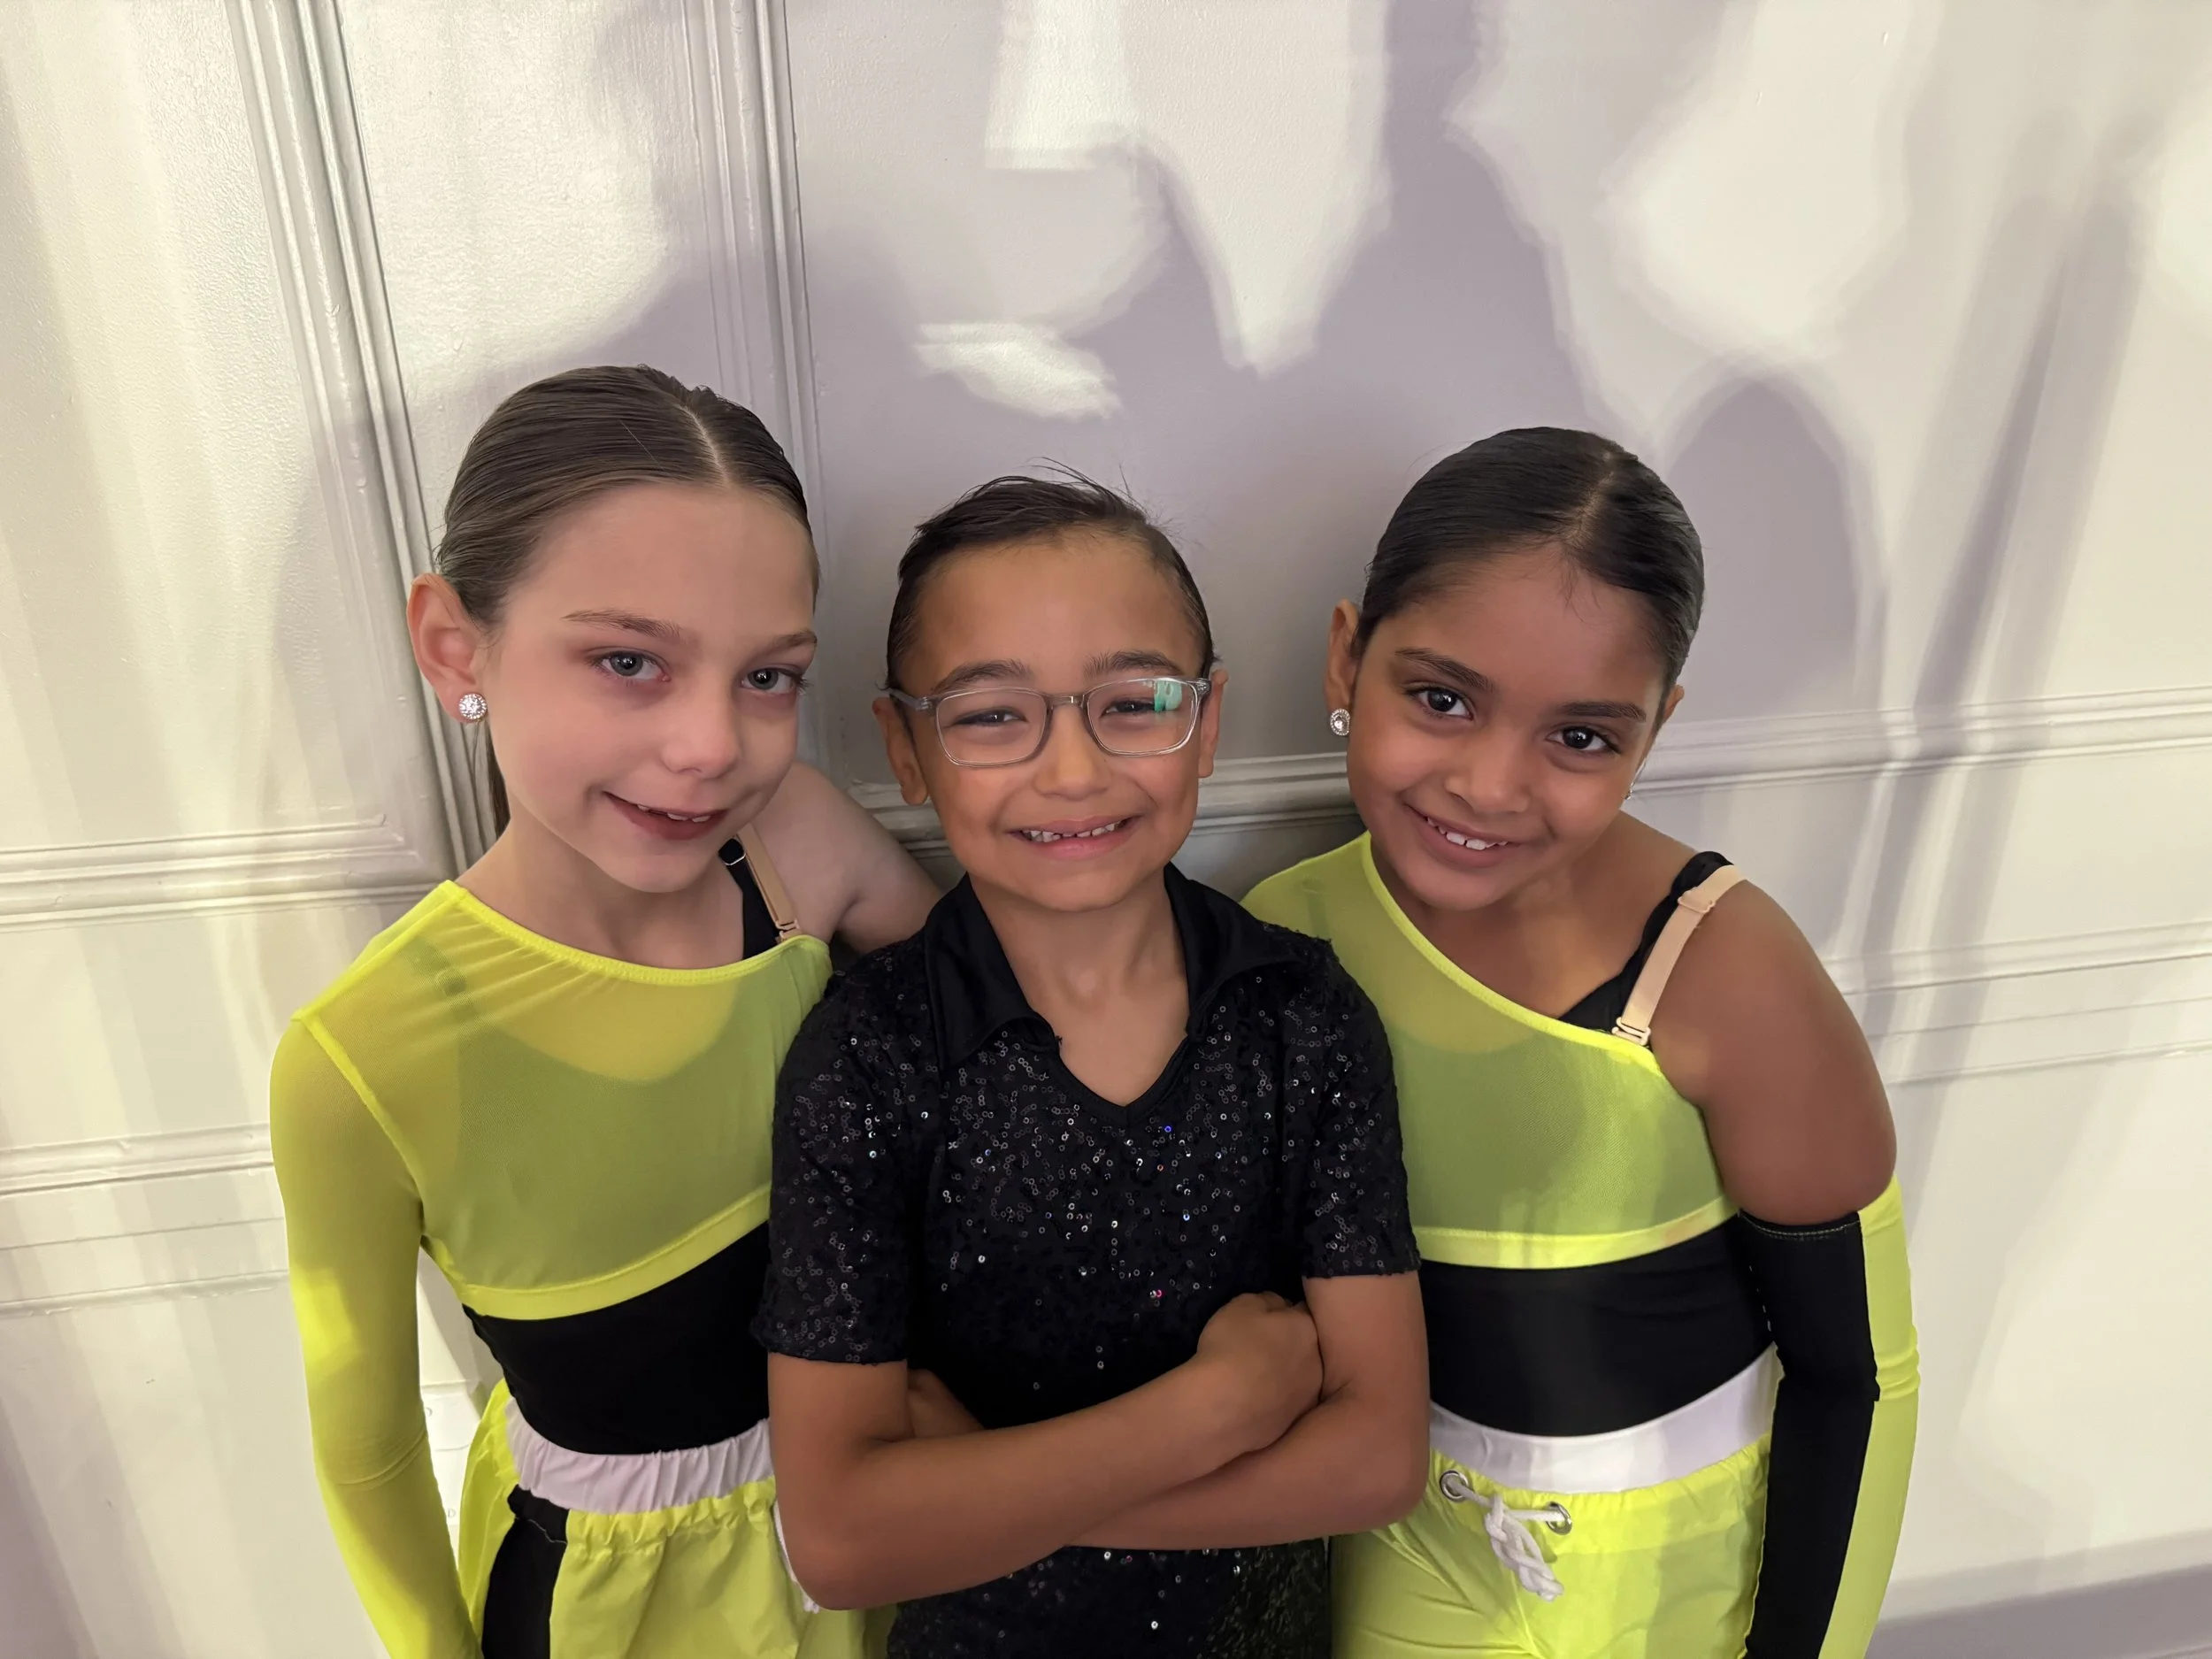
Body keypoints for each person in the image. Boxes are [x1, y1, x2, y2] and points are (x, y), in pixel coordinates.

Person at [270, 365, 938, 1659]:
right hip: (613, 1607)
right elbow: (368, 1450)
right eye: (629, 660)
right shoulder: (363, 1059)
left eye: (769, 676)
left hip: (887, 1526)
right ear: (454, 647)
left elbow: (1005, 1040)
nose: (710, 745)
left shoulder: (796, 850)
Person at [1246, 427, 1919, 1659]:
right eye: (1441, 699)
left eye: (1581, 737)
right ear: (1349, 654)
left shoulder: (1725, 974)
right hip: (1392, 1553)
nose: (1490, 786)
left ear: (1653, 730)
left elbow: (1857, 1377)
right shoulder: (1281, 936)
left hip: (1665, 1595)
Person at [754, 472, 1429, 1659]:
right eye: (989, 715)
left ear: (1206, 723)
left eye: (1135, 701)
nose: (1072, 770)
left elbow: (1377, 1460)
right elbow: (842, 1540)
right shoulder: (867, 1056)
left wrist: (983, 1494)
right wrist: (1209, 1414)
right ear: (905, 747)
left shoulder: (1301, 1019)